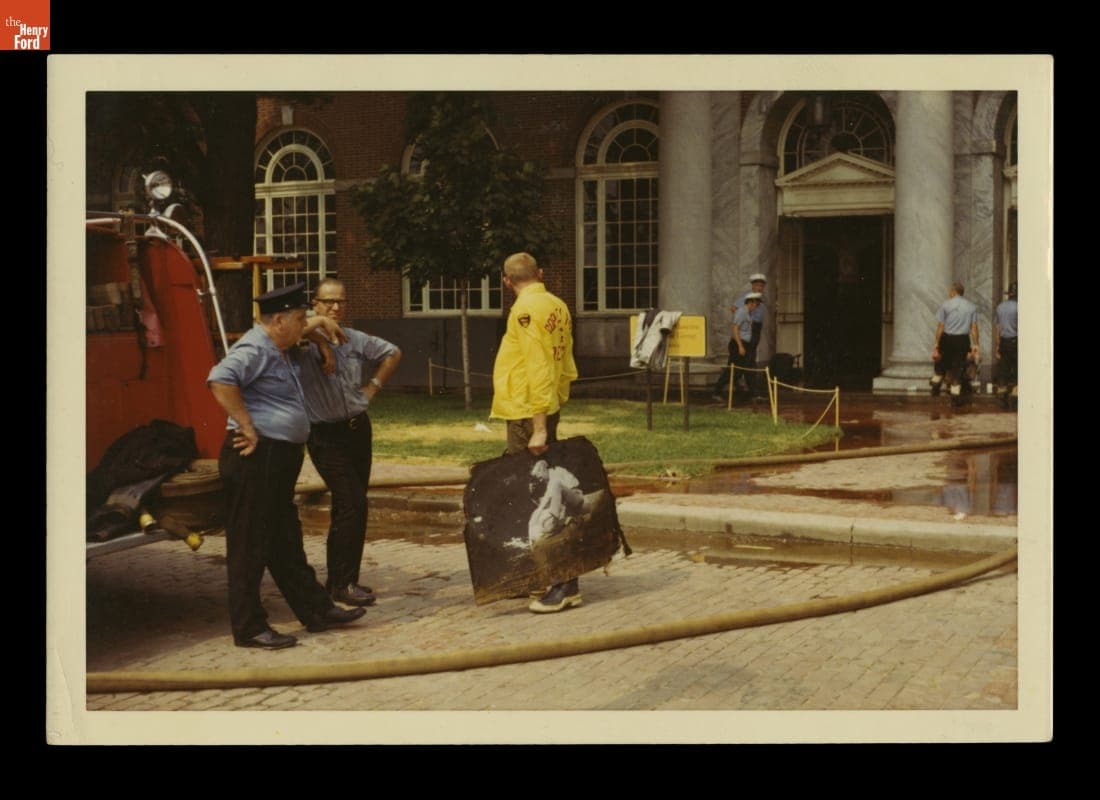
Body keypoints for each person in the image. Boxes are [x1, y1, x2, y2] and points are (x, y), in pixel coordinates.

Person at [207, 282, 366, 650]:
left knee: (284, 540)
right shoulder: (254, 347)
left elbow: (312, 325)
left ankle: (316, 610)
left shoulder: (278, 341)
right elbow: (219, 379)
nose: (302, 325)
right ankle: (248, 628)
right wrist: (246, 424)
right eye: (297, 319)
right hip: (256, 459)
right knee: (250, 543)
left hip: (278, 459)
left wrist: (321, 330)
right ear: (278, 320)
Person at [298, 278, 402, 607]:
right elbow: (287, 333)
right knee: (351, 502)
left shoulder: (354, 338)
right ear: (314, 303)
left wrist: (371, 387)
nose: (335, 308)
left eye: (340, 302)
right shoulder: (302, 343)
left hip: (357, 429)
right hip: (325, 435)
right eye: (328, 302)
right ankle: (340, 584)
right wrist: (322, 332)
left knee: (355, 505)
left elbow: (392, 353)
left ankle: (345, 580)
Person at [490, 252, 580, 613]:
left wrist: (539, 428)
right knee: (539, 492)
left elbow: (540, 367)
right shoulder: (557, 305)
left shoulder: (524, 311)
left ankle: (562, 582)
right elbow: (567, 363)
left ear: (506, 281)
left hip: (530, 413)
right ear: (540, 273)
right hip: (542, 408)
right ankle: (541, 575)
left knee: (538, 497)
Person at [930, 281, 980, 406]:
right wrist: (976, 344)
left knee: (941, 366)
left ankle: (935, 386)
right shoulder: (971, 307)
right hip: (962, 340)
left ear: (953, 292)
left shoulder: (946, 305)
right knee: (957, 368)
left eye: (950, 291)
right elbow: (974, 328)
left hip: (947, 339)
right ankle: (955, 398)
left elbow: (941, 326)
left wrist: (936, 343)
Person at [713, 292, 763, 401]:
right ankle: (717, 391)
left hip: (744, 344)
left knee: (748, 368)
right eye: (757, 303)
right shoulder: (742, 312)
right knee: (732, 370)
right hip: (737, 344)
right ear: (751, 302)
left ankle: (754, 394)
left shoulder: (748, 313)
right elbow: (735, 329)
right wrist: (740, 346)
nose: (757, 306)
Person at [993, 281, 1018, 409]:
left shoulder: (1000, 307)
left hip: (1003, 341)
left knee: (1003, 369)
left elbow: (998, 328)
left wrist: (998, 345)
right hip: (1016, 341)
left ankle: (1002, 395)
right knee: (1017, 370)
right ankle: (1014, 396)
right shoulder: (1020, 307)